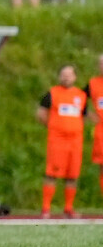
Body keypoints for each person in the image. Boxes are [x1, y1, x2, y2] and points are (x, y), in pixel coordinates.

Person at [38, 64, 87, 218]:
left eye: (69, 75)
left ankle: (68, 208)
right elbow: (41, 114)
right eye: (64, 75)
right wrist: (54, 127)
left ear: (75, 77)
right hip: (57, 140)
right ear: (59, 77)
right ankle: (46, 208)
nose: (66, 78)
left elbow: (83, 116)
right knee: (52, 173)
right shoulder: (52, 93)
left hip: (75, 141)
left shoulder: (81, 95)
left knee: (72, 174)